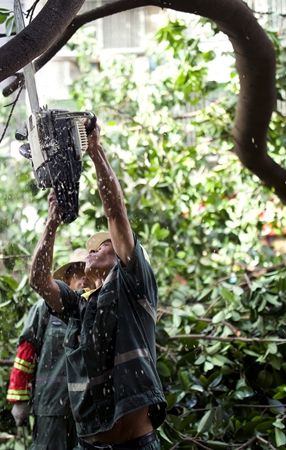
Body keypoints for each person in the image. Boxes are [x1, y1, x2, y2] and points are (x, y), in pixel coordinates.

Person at [29, 123, 166, 450]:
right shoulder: (80, 306)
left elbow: (116, 213)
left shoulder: (134, 288)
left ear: (121, 255)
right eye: (90, 248)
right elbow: (38, 279)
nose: (94, 249)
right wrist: (51, 223)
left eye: (103, 246)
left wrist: (94, 150)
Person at [8, 249, 93, 450]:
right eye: (76, 271)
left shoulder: (99, 308)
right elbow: (26, 352)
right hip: (51, 405)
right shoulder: (44, 308)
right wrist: (19, 399)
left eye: (87, 270)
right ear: (67, 278)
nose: (83, 276)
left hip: (89, 409)